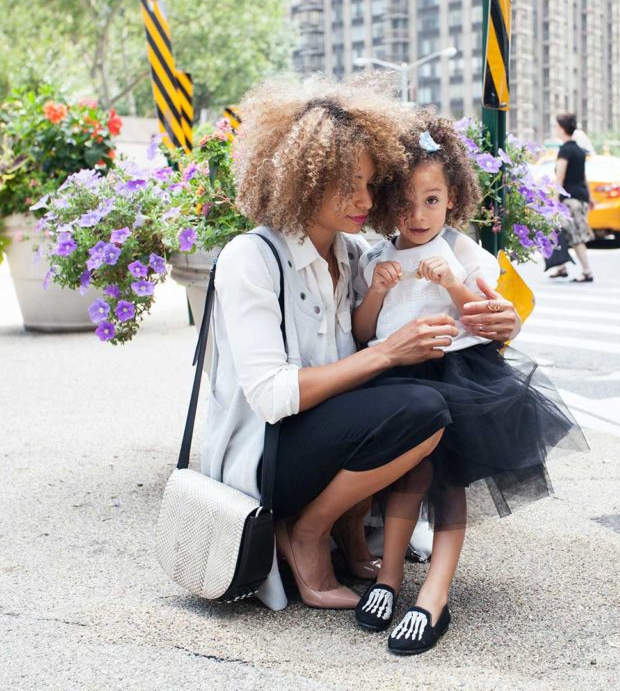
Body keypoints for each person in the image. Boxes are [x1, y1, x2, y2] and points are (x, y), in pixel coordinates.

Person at [200, 77, 522, 614]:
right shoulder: (250, 258)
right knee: (420, 407)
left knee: (424, 405)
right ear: (304, 181)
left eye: (372, 185)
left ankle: (351, 534)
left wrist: (502, 322)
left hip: (327, 440)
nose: (366, 201)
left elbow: (443, 304)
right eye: (350, 184)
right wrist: (388, 352)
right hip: (267, 454)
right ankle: (306, 531)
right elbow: (272, 396)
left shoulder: (355, 257)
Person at [351, 113, 587, 655]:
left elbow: (487, 316)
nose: (418, 214)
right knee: (404, 478)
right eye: (406, 202)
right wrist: (376, 295)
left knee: (447, 481)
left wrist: (453, 283)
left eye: (431, 201)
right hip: (396, 376)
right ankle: (388, 578)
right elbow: (365, 332)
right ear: (389, 202)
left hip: (459, 377)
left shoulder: (464, 252)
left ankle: (434, 592)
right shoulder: (377, 257)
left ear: (452, 198)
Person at [549, 113, 595, 282]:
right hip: (581, 197)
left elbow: (559, 179)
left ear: (562, 128)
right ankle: (561, 267)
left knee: (575, 236)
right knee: (559, 231)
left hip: (569, 200)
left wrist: (554, 201)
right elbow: (583, 176)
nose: (555, 129)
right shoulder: (579, 151)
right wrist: (589, 198)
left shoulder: (565, 150)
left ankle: (587, 271)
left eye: (556, 126)